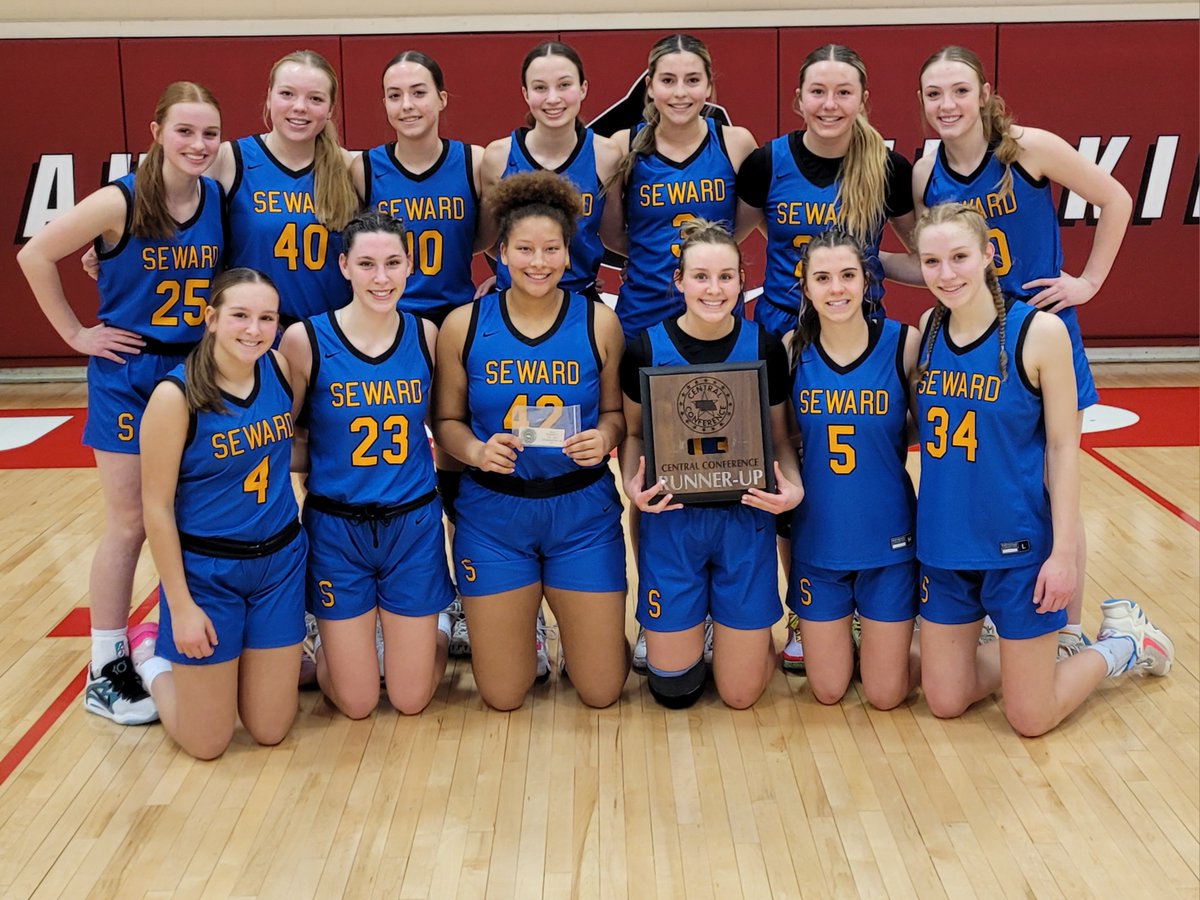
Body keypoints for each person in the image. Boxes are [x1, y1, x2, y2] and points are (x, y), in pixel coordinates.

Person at [912, 202, 1171, 738]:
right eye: (932, 262)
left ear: (988, 254)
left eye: (959, 257)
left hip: (1018, 546)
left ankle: (1124, 644)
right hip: (946, 543)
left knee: (1030, 718)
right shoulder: (928, 329)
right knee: (945, 699)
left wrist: (1063, 553)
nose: (946, 274)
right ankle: (1024, 657)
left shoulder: (1041, 332)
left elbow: (1062, 448)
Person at [913, 45, 1133, 658]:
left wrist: (1088, 282)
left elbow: (1116, 199)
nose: (948, 104)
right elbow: (933, 258)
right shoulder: (925, 172)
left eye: (960, 90)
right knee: (995, 476)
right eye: (934, 94)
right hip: (973, 339)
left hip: (1041, 337)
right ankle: (1005, 612)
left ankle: (1068, 629)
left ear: (985, 94)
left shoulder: (1027, 148)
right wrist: (858, 265)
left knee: (1053, 480)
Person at [17, 82, 225, 725]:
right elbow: (34, 254)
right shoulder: (119, 200)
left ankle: (165, 637)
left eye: (210, 133)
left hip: (194, 370)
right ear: (157, 132)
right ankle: (104, 666)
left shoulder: (216, 197)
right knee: (130, 520)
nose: (198, 144)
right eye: (184, 130)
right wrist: (76, 334)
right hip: (129, 371)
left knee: (188, 514)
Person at [735, 43, 918, 673]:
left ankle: (874, 592)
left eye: (844, 92)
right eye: (818, 91)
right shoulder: (767, 163)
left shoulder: (887, 167)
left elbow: (923, 253)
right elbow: (732, 237)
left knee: (865, 458)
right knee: (789, 466)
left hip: (861, 334)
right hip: (783, 334)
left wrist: (869, 269)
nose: (830, 104)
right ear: (798, 100)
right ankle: (803, 608)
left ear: (864, 99)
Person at [432, 171, 628, 711]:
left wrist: (604, 436)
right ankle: (524, 630)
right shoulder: (463, 325)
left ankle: (592, 635)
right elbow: (445, 420)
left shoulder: (599, 323)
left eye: (551, 249)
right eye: (524, 249)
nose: (538, 262)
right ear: (499, 252)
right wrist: (476, 451)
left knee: (601, 690)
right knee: (503, 694)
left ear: (569, 253)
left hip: (581, 512)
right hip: (494, 515)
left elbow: (616, 413)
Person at [619, 219, 803, 710]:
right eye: (700, 276)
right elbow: (634, 435)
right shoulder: (644, 348)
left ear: (742, 280)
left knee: (740, 695)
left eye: (725, 277)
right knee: (673, 691)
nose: (714, 289)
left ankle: (737, 632)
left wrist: (793, 487)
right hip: (674, 523)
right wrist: (632, 486)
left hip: (744, 518)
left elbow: (780, 440)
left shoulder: (764, 347)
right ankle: (696, 622)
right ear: (678, 281)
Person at [279, 211, 453, 717]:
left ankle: (436, 626)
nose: (381, 277)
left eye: (393, 263)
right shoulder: (304, 340)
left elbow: (444, 427)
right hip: (337, 526)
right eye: (367, 264)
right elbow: (280, 439)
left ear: (410, 266)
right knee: (356, 702)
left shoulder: (427, 335)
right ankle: (337, 640)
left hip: (412, 524)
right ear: (344, 267)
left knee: (410, 699)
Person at [133, 268, 306, 759]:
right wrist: (182, 606)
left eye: (267, 318)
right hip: (208, 572)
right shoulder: (175, 397)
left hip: (278, 566)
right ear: (210, 319)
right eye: (240, 316)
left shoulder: (278, 368)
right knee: (207, 742)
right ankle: (150, 661)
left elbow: (281, 450)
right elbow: (156, 508)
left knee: (270, 729)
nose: (254, 329)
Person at [350, 50, 486, 658]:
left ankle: (463, 595)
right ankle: (365, 597)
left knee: (458, 457)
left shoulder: (473, 162)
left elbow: (492, 234)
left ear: (442, 99)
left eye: (419, 92)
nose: (407, 105)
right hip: (385, 326)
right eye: (394, 94)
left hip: (451, 329)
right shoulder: (362, 168)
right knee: (369, 458)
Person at [785, 229, 920, 708]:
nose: (836, 288)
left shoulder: (904, 343)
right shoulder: (791, 349)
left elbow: (928, 426)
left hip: (889, 540)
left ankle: (943, 647)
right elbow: (782, 441)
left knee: (885, 695)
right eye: (822, 278)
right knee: (827, 690)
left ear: (866, 280)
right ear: (805, 287)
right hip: (819, 542)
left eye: (847, 275)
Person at [603, 33, 759, 343]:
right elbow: (611, 235)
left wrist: (708, 252)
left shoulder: (736, 143)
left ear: (708, 85)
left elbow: (739, 226)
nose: (680, 92)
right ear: (650, 86)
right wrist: (651, 254)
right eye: (668, 80)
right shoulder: (623, 145)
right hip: (643, 314)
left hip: (716, 312)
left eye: (692, 80)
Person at [220, 49, 358, 324]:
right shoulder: (230, 159)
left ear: (330, 109)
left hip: (329, 333)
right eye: (287, 94)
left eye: (315, 98)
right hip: (255, 333)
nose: (300, 107)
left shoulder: (350, 167)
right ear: (269, 97)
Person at [481, 40, 623, 304]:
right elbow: (487, 241)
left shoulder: (606, 154)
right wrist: (521, 274)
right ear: (525, 94)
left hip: (580, 299)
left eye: (564, 85)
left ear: (583, 88)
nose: (553, 98)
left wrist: (649, 266)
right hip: (513, 301)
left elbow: (613, 238)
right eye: (540, 88)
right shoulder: (498, 156)